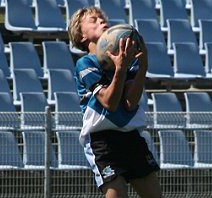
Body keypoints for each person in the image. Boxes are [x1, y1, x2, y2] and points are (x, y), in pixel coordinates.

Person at [68, 6, 162, 198]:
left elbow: (129, 103)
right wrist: (120, 69)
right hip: (103, 142)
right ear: (81, 36)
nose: (101, 21)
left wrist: (142, 65)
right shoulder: (86, 64)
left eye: (102, 17)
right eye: (93, 20)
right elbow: (109, 103)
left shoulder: (128, 62)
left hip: (132, 137)